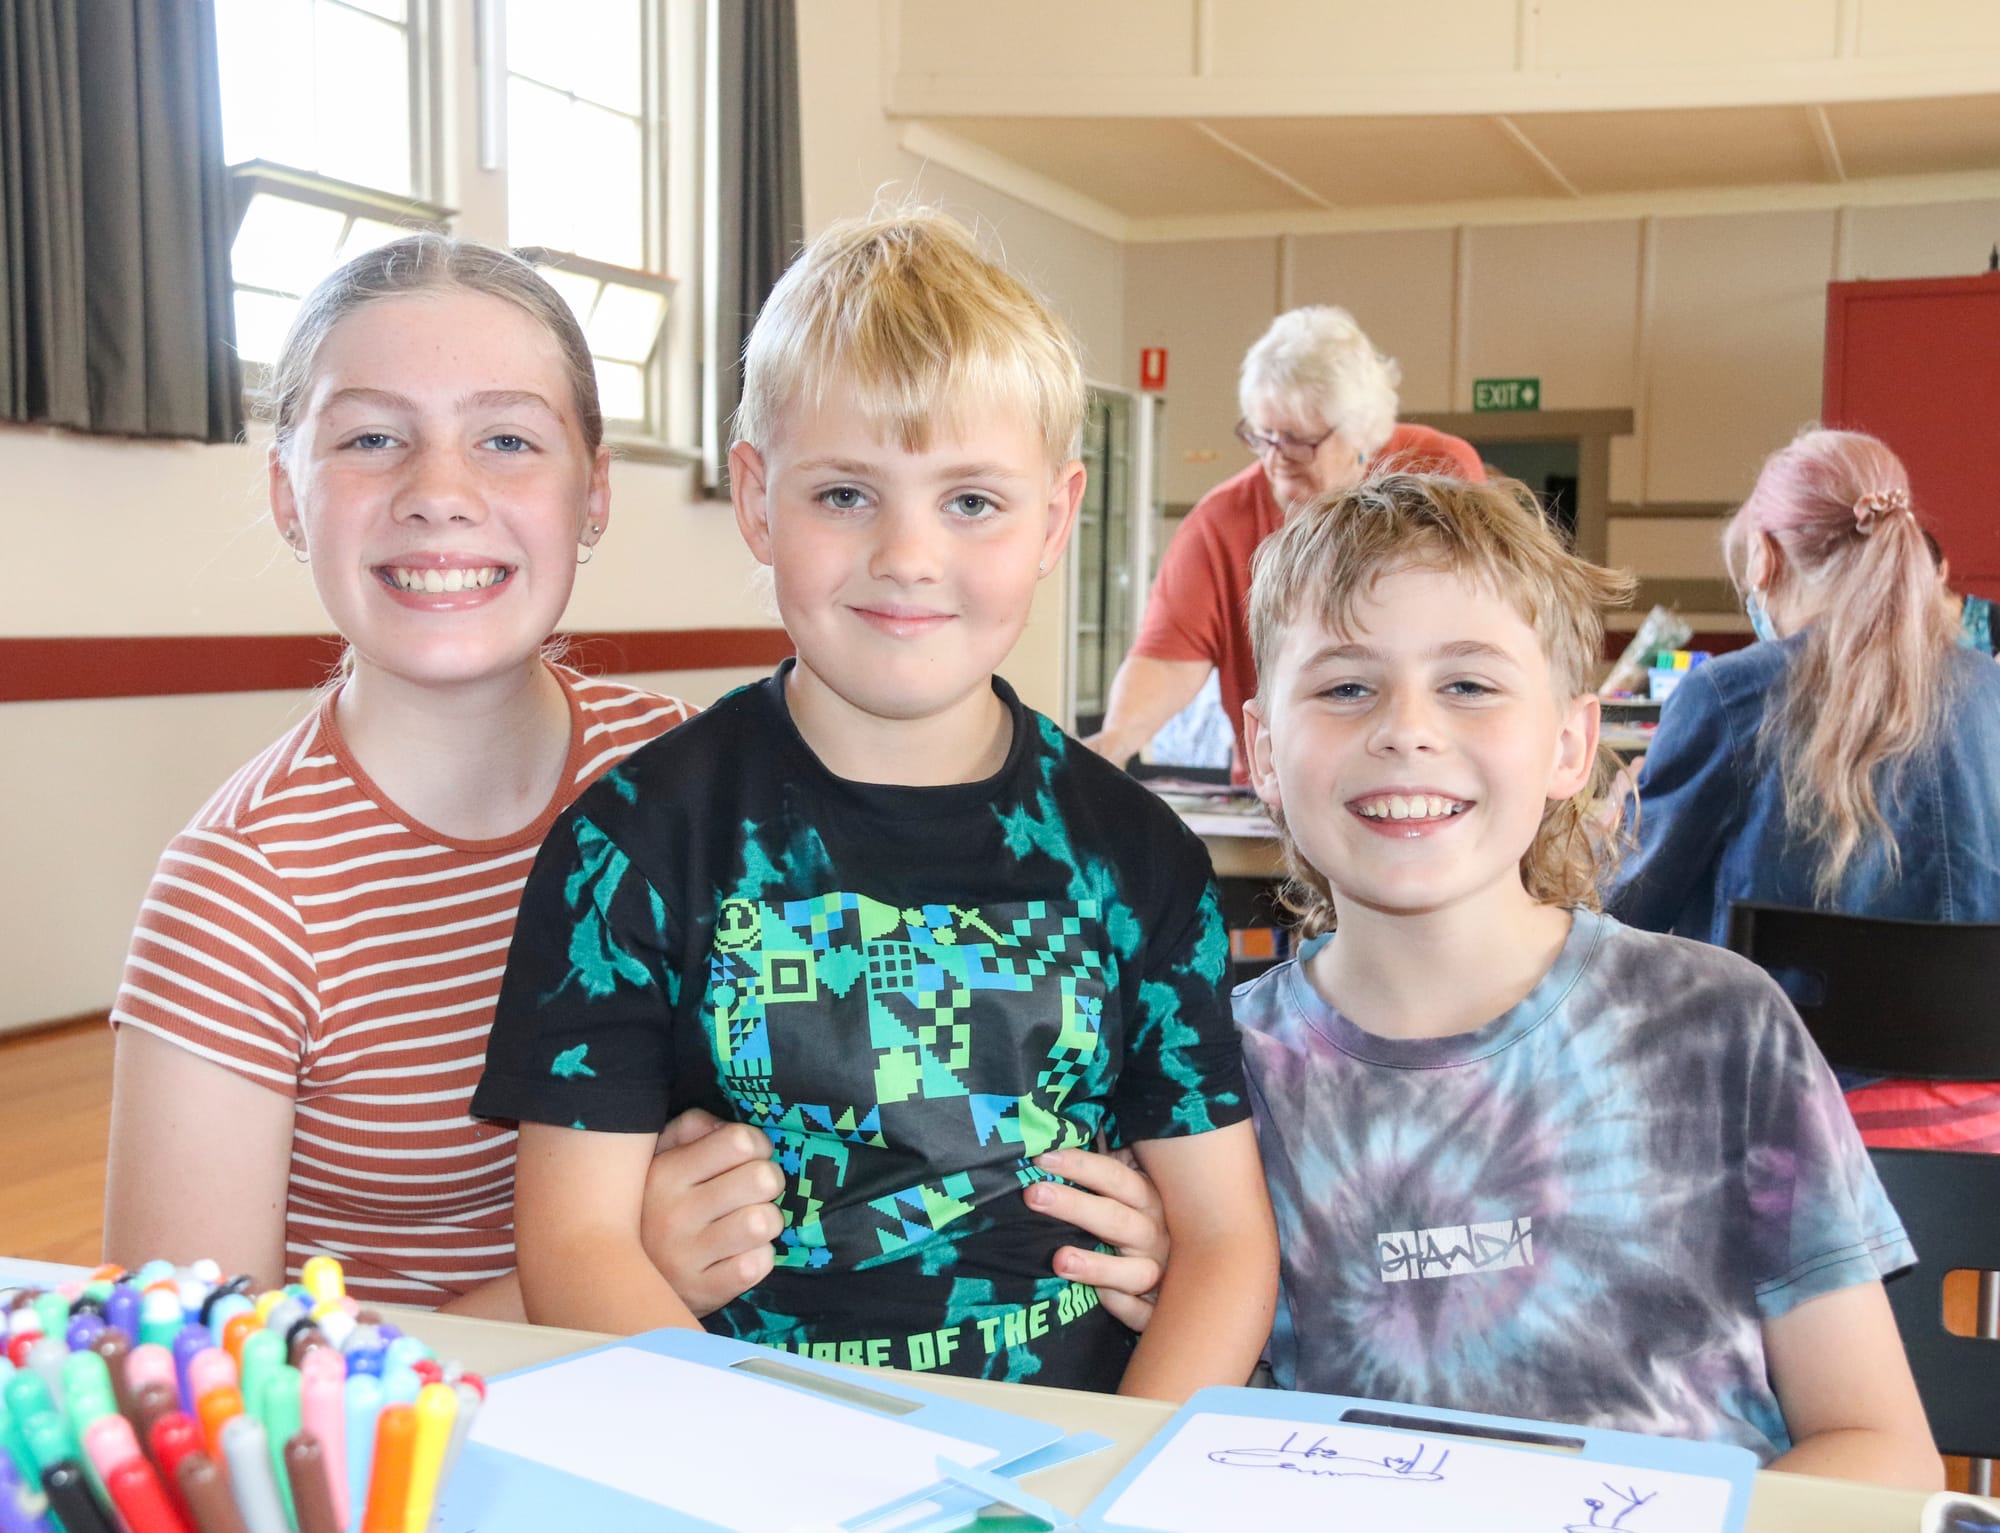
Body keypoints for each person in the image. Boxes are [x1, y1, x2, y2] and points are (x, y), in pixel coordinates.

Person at [100, 234, 1169, 1320]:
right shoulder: (236, 897)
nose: (440, 493)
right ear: (288, 495)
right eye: (373, 438)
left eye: (507, 439)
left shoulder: (690, 784)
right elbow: (187, 1369)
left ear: (594, 493)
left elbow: (964, 1065)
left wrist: (1111, 1206)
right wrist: (603, 1267)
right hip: (435, 1415)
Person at [474, 208, 1279, 1401]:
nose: (907, 554)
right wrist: (765, 1474)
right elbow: (576, 1246)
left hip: (1071, 1455)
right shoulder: (634, 843)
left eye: (971, 502)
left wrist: (1119, 1475)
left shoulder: (1135, 854)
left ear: (1055, 519)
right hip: (741, 1452)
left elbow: (1221, 1243)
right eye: (846, 494)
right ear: (757, 500)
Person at [1232, 470, 1938, 1486]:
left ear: (1569, 743)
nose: (1406, 728)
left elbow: (1879, 1446)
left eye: (1469, 685)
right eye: (1345, 687)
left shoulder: (1719, 1026)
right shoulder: (1212, 1083)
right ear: (1262, 749)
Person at [1609, 430, 2000, 1147]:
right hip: (1981, 1141)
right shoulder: (1992, 695)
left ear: (1766, 556)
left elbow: (1624, 914)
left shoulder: (1727, 698)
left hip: (1780, 1130)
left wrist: (1617, 824)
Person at [1086, 305, 1483, 780]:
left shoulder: (1437, 471)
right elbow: (1167, 660)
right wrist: (1113, 742)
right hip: (1283, 781)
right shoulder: (1220, 521)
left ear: (1362, 431)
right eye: (1263, 437)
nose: (1276, 461)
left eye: (1298, 441)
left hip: (1422, 761)